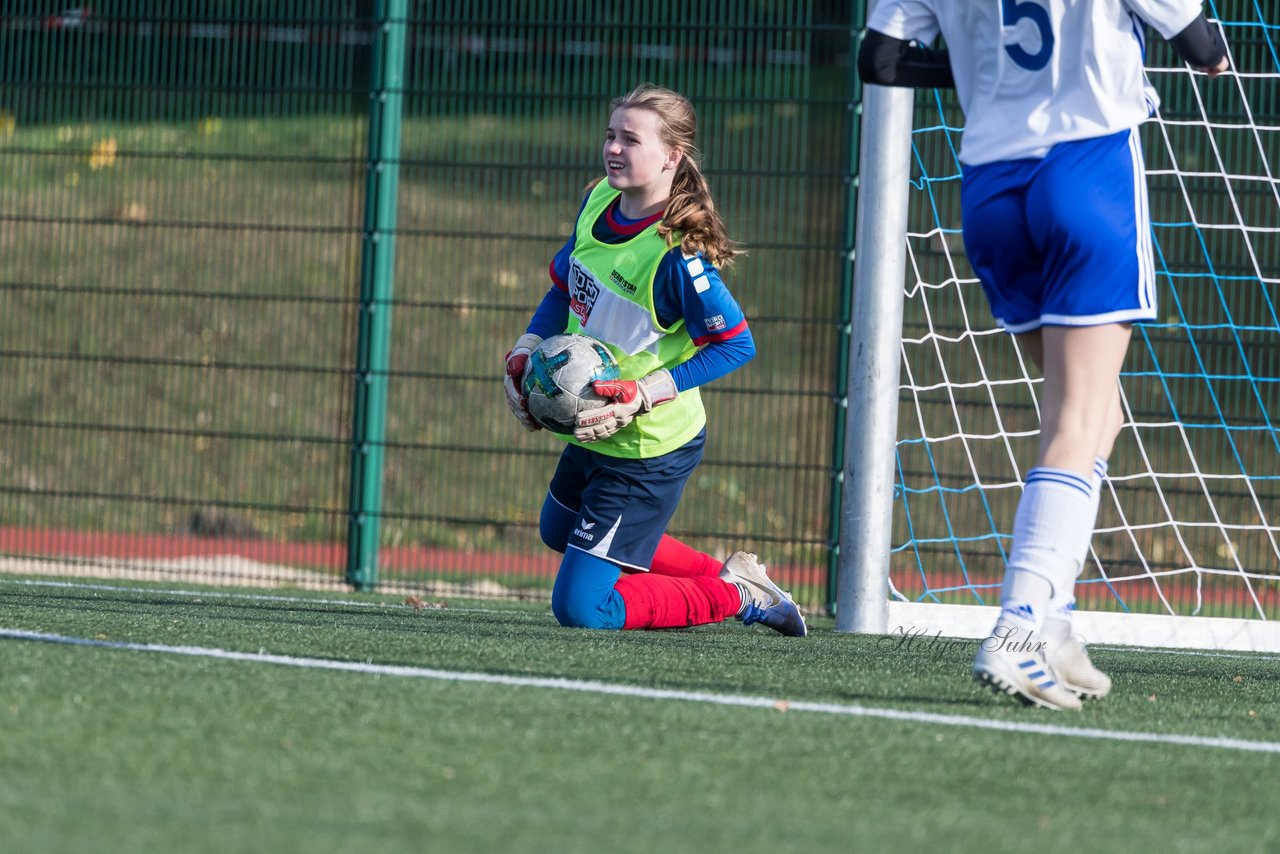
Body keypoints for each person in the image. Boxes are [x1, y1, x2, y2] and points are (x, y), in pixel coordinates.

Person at [858, 2, 1229, 709]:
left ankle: (1052, 620)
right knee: (1075, 415)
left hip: (992, 191)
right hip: (1086, 166)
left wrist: (980, 74)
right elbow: (1199, 40)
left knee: (1100, 414)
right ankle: (1019, 626)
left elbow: (878, 58)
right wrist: (1211, 55)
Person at [503, 83, 807, 637]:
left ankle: (733, 595)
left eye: (631, 140)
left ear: (672, 157)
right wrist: (528, 345)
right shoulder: (597, 201)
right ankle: (735, 578)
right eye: (610, 135)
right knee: (559, 527)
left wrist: (645, 392)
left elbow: (737, 344)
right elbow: (562, 288)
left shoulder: (677, 255)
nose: (614, 148)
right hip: (594, 425)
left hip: (648, 447)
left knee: (581, 609)